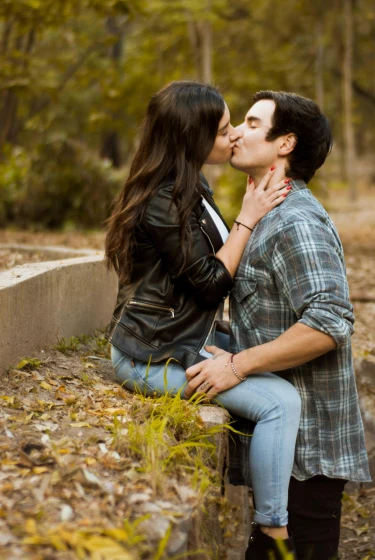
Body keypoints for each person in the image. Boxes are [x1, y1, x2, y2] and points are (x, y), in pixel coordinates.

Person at [105, 80, 300, 560]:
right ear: (193, 137)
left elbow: (209, 267)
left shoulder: (191, 183)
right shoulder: (163, 200)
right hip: (149, 355)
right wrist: (247, 218)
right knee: (280, 402)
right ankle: (273, 538)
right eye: (223, 129)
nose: (233, 136)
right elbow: (212, 282)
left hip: (186, 335)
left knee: (279, 364)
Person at [185, 90, 371, 560]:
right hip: (285, 445)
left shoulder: (296, 222)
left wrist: (239, 365)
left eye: (251, 122)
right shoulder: (269, 212)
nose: (237, 133)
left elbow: (330, 322)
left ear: (285, 143)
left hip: (308, 447)